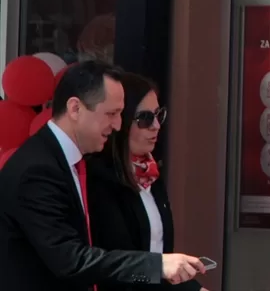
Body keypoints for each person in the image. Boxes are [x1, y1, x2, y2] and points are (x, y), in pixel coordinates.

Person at [0, 60, 206, 291]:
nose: (118, 125)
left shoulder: (66, 161)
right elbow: (70, 259)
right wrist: (157, 265)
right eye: (111, 114)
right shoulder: (38, 169)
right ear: (75, 108)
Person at [86, 72, 205, 291]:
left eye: (159, 115)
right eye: (145, 118)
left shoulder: (151, 174)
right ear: (120, 121)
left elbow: (162, 258)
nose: (156, 126)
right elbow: (119, 262)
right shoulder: (99, 179)